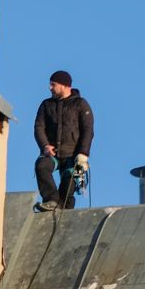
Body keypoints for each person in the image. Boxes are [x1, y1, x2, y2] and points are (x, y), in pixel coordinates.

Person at [34, 70, 94, 211]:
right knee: (41, 166)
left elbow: (88, 130)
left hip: (72, 156)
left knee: (67, 188)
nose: (50, 88)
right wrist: (45, 146)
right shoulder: (46, 105)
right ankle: (51, 201)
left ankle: (65, 214)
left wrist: (83, 155)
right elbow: (38, 127)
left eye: (53, 84)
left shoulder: (81, 104)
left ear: (64, 86)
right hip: (52, 154)